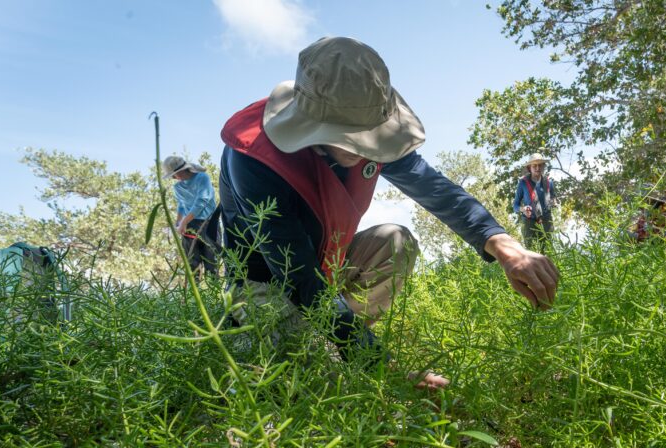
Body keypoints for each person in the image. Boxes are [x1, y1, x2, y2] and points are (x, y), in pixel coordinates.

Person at [217, 37, 560, 390]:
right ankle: (322, 351)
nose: (366, 147)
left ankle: (336, 341)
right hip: (267, 281)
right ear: (311, 122)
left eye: (371, 135)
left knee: (394, 241)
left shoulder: (370, 128)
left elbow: (434, 188)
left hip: (326, 268)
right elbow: (298, 276)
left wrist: (504, 245)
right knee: (295, 385)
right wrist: (382, 369)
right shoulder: (253, 158)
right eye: (351, 137)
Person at [163, 156, 219, 279]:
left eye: (174, 174)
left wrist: (184, 221)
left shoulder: (202, 178)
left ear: (182, 170)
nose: (173, 178)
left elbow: (202, 200)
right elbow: (181, 206)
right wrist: (178, 223)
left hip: (208, 223)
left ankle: (214, 293)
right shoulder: (177, 187)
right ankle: (194, 295)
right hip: (189, 225)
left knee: (211, 262)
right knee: (192, 264)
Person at [513, 153, 555, 253]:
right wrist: (523, 209)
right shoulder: (523, 183)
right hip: (529, 222)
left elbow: (553, 198)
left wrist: (554, 202)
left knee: (548, 251)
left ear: (544, 167)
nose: (537, 168)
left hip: (546, 220)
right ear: (529, 168)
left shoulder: (549, 182)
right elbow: (515, 205)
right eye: (534, 166)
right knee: (530, 252)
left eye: (540, 165)